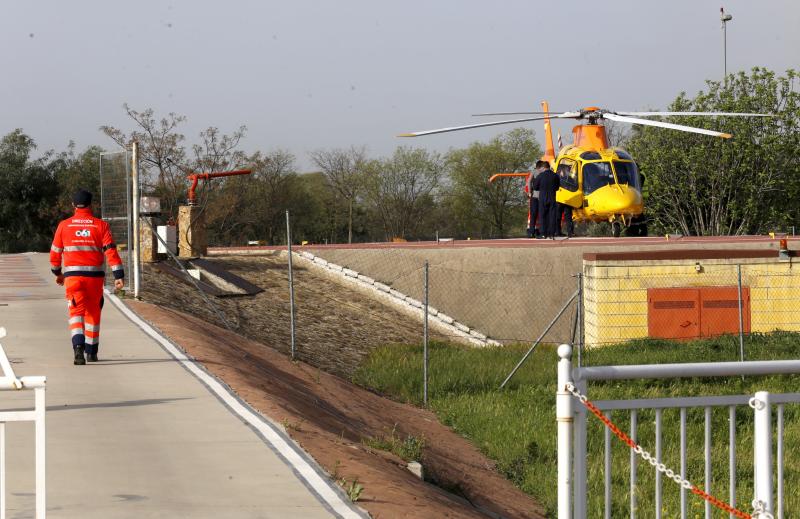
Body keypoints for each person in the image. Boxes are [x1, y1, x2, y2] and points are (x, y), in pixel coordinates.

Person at [50, 189, 125, 365]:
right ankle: (91, 353)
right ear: (91, 205)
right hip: (95, 279)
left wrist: (58, 273)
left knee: (76, 313)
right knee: (93, 313)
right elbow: (111, 251)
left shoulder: (64, 226)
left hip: (73, 278)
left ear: (73, 205)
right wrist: (119, 275)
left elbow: (54, 254)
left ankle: (78, 350)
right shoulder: (101, 226)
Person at [533, 160, 560, 239]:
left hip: (543, 197)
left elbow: (535, 187)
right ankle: (551, 233)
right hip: (552, 197)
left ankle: (543, 233)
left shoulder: (540, 176)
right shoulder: (555, 175)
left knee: (542, 216)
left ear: (544, 167)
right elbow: (557, 187)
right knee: (552, 216)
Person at [525, 168, 540, 238]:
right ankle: (534, 229)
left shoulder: (531, 175)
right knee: (534, 215)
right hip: (535, 197)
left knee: (533, 215)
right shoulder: (533, 176)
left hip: (533, 196)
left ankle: (532, 230)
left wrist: (529, 194)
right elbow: (527, 187)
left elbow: (527, 187)